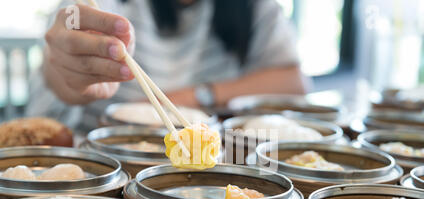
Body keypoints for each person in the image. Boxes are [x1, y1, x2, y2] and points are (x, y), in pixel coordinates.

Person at [28, 0, 306, 133]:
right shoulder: (105, 5)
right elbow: (59, 72)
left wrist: (194, 96)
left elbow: (293, 82)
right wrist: (71, 72)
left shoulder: (254, 8)